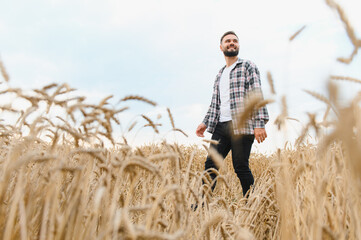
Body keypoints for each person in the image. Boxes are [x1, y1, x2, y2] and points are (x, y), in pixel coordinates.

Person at [196, 31, 269, 198]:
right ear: (221, 47)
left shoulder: (247, 66)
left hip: (242, 125)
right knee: (210, 166)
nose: (232, 43)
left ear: (238, 45)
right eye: (228, 41)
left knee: (240, 166)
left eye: (235, 41)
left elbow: (256, 94)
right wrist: (205, 122)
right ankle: (200, 206)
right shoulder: (220, 74)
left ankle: (252, 206)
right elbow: (215, 103)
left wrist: (259, 123)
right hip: (221, 126)